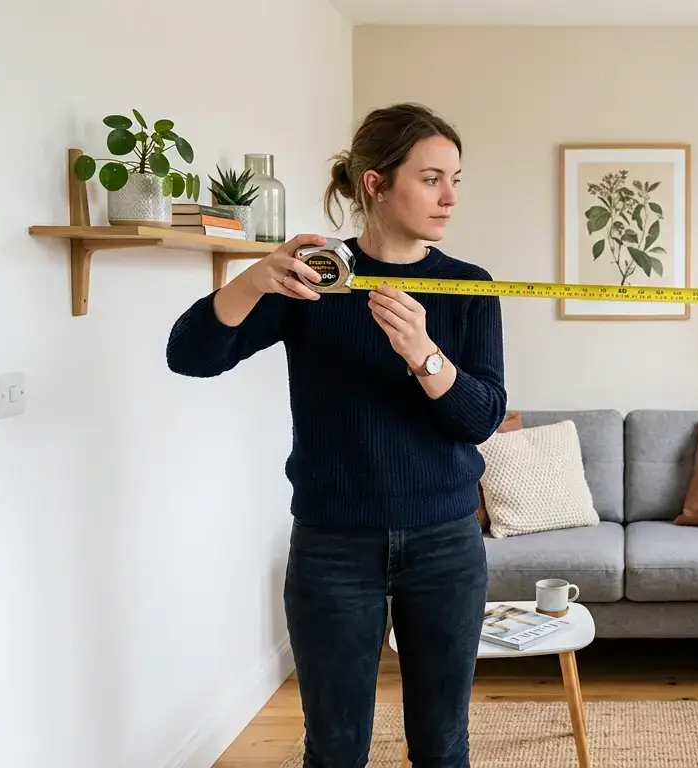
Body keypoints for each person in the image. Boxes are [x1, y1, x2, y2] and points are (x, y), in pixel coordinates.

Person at [165, 103, 505, 768]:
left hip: (445, 544)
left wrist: (424, 355)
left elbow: (481, 418)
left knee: (442, 746)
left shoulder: (468, 286)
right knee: (335, 750)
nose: (450, 197)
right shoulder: (314, 279)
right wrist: (254, 279)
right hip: (333, 546)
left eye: (455, 180)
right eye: (431, 178)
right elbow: (190, 356)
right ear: (375, 184)